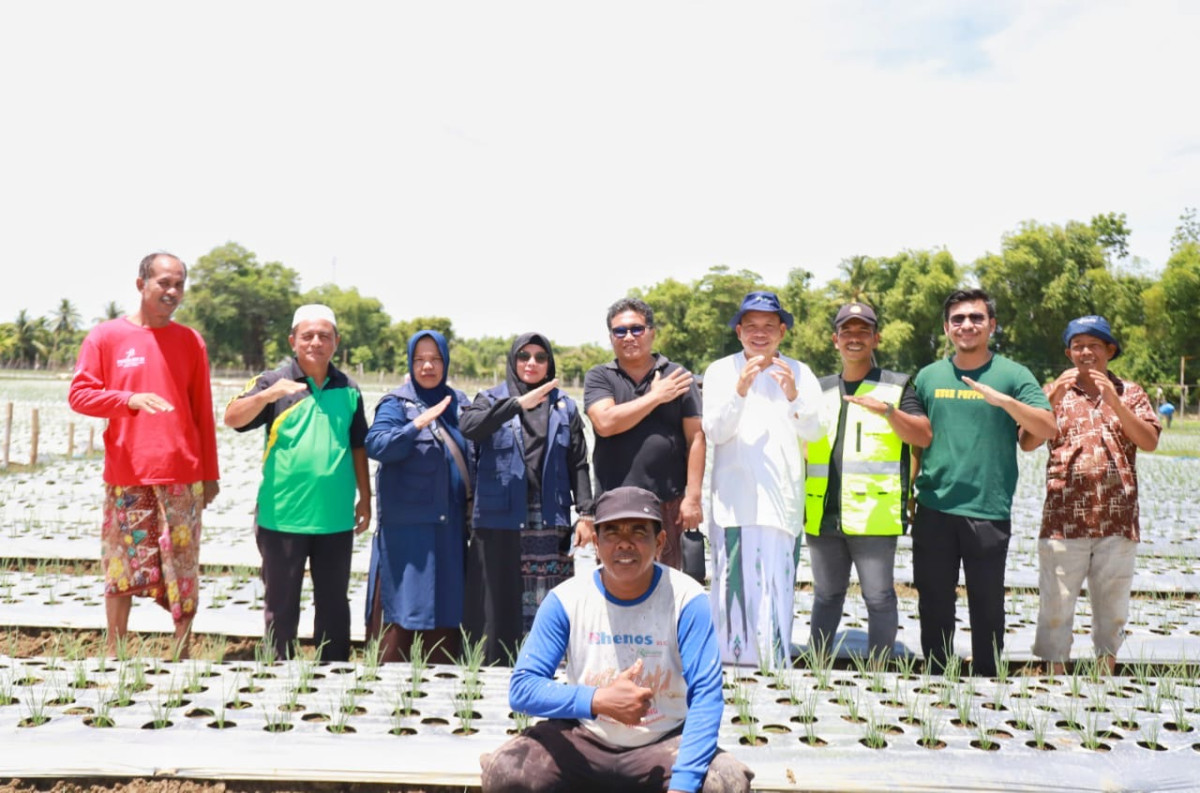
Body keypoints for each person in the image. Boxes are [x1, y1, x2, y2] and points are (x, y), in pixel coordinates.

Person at [480, 487, 754, 793]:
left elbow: (706, 695)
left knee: (726, 782)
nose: (625, 542)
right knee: (506, 771)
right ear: (596, 544)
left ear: (660, 542)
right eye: (611, 532)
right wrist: (599, 701)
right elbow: (523, 688)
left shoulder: (687, 599)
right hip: (585, 738)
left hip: (662, 741)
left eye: (639, 531)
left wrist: (683, 785)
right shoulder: (566, 599)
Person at [68, 252, 220, 659]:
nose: (171, 292)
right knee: (121, 564)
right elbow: (79, 395)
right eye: (163, 283)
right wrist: (128, 398)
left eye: (178, 284)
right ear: (141, 285)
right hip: (128, 472)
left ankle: (181, 652)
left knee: (183, 565)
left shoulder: (191, 341)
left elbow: (202, 412)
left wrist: (210, 474)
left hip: (181, 474)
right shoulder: (106, 337)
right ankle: (115, 651)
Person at [909, 288, 1056, 676]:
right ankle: (938, 675)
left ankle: (988, 678)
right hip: (935, 507)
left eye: (976, 317)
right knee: (935, 600)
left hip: (987, 508)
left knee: (987, 602)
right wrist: (909, 496)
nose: (967, 325)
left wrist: (1004, 402)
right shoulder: (928, 376)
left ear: (992, 324)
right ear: (946, 328)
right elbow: (917, 443)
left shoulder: (1013, 375)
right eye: (958, 319)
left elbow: (1047, 426)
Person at [223, 304, 372, 662]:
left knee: (334, 603)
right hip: (282, 515)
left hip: (335, 517)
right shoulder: (273, 381)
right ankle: (278, 672)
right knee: (281, 603)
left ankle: (333, 673)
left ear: (336, 342)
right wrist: (266, 396)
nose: (316, 342)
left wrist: (365, 498)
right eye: (308, 335)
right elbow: (231, 417)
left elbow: (357, 447)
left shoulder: (348, 388)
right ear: (293, 340)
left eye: (324, 336)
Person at [1022, 316, 1160, 674]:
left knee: (1112, 602)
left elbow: (1149, 441)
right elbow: (1027, 442)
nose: (1086, 352)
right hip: (1063, 519)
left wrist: (1115, 401)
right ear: (1069, 353)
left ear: (1109, 351)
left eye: (1094, 345)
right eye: (1078, 345)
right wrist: (1050, 397)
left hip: (1117, 518)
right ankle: (1054, 672)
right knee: (1056, 602)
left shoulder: (1131, 393)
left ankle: (1106, 668)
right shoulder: (1053, 391)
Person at [804, 303, 931, 663]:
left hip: (873, 513)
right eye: (847, 331)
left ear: (876, 338)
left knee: (878, 597)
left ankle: (879, 671)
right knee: (826, 596)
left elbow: (922, 436)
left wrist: (889, 412)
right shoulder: (820, 389)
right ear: (835, 340)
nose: (855, 338)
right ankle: (816, 667)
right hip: (822, 515)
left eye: (863, 331)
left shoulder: (897, 385)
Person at [701, 291, 822, 670]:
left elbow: (816, 432)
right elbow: (715, 432)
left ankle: (775, 670)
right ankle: (730, 675)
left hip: (782, 506)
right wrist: (739, 390)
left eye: (769, 326)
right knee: (730, 594)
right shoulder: (721, 371)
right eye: (751, 326)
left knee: (777, 592)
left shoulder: (800, 373)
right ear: (738, 331)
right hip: (735, 505)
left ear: (782, 331)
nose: (760, 333)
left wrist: (793, 397)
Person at [460, 332, 595, 665]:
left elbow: (578, 461)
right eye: (524, 356)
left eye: (540, 357)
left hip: (549, 518)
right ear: (512, 361)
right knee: (500, 600)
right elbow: (469, 427)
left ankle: (545, 669)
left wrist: (587, 514)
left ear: (549, 363)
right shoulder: (490, 399)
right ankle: (498, 670)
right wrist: (517, 405)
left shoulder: (564, 405)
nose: (531, 363)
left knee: (548, 599)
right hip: (501, 518)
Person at [365, 330, 472, 663]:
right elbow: (377, 445)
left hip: (450, 530)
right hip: (407, 534)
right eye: (420, 359)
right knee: (403, 612)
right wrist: (416, 425)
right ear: (410, 363)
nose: (428, 366)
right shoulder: (395, 404)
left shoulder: (460, 404)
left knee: (446, 614)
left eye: (435, 359)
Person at [584, 298, 704, 573]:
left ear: (651, 331)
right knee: (616, 585)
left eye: (636, 329)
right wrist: (655, 397)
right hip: (614, 502)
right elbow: (605, 422)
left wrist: (693, 497)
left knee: (670, 586)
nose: (628, 337)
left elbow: (696, 438)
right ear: (611, 336)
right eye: (619, 331)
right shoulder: (600, 376)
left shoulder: (678, 376)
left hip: (668, 503)